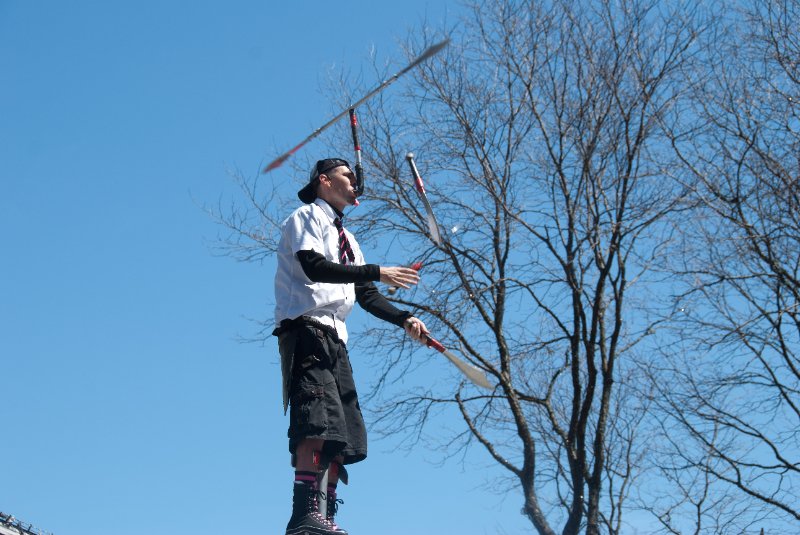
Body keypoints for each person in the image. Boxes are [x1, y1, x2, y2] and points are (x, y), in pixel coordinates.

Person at [273, 158, 428, 535]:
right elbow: (314, 266)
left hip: (336, 338)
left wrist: (404, 319)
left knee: (341, 432)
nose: (355, 184)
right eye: (348, 176)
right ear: (323, 181)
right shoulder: (306, 216)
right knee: (315, 419)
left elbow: (367, 295)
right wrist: (377, 269)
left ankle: (325, 514)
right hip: (307, 328)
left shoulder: (349, 240)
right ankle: (303, 513)